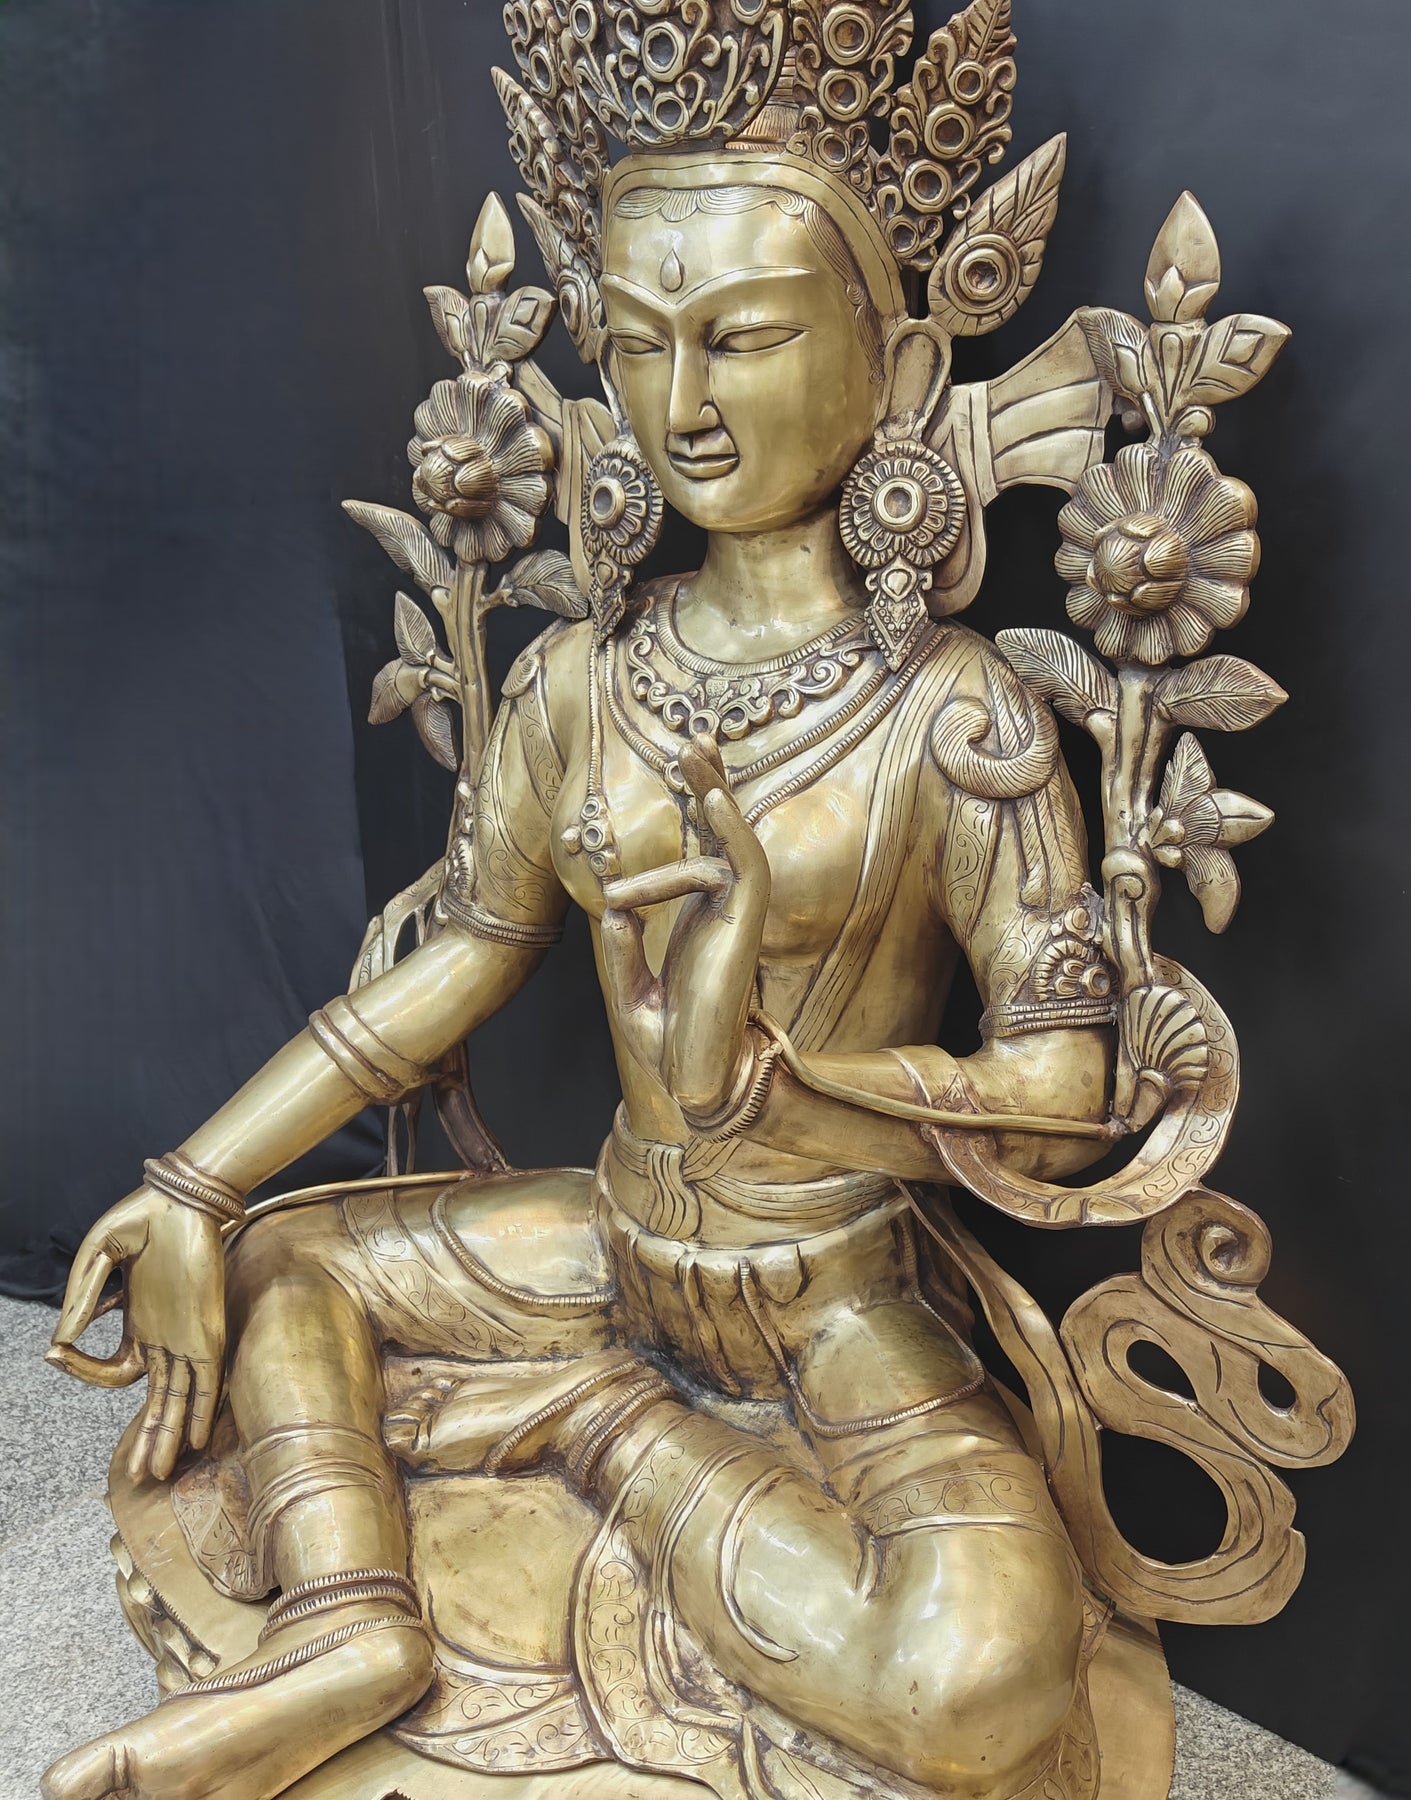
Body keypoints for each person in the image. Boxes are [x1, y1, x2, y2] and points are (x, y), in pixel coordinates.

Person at [40, 73, 1125, 1800]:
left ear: (899, 367)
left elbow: (1063, 1093)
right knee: (272, 1268)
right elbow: (464, 961)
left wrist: (801, 1093)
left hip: (838, 1302)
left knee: (979, 1686)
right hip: (611, 1243)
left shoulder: (955, 716)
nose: (683, 406)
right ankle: (348, 1629)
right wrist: (194, 1183)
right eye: (635, 344)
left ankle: (586, 1422)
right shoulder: (579, 681)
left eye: (742, 339)